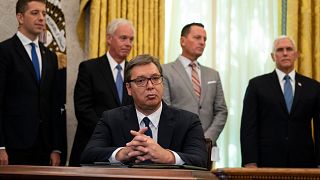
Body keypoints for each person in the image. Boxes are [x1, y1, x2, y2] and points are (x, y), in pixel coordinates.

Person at [81, 54, 207, 168]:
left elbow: (200, 160)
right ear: (129, 88)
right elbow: (88, 155)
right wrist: (123, 153)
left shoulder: (188, 121)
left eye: (155, 78)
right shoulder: (111, 119)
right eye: (141, 81)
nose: (150, 86)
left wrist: (167, 156)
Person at [240, 35, 320, 168]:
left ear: (296, 55)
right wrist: (250, 161)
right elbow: (248, 127)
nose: (285, 53)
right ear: (273, 56)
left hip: (304, 162)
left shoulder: (313, 87)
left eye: (289, 49)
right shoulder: (257, 85)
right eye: (280, 50)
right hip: (267, 161)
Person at [0, 0, 63, 165]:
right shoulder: (4, 51)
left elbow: (54, 104)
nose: (42, 18)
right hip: (13, 147)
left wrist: (56, 148)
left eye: (44, 13)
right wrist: (0, 147)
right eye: (35, 13)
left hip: (44, 147)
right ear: (20, 17)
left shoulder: (50, 56)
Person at [69, 18, 134, 166]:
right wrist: (110, 133)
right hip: (93, 147)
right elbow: (83, 110)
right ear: (109, 38)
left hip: (127, 151)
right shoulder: (89, 68)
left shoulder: (135, 72)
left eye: (131, 39)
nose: (128, 43)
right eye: (123, 38)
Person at [162, 23, 228, 146]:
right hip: (178, 144)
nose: (202, 42)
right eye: (197, 38)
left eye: (205, 39)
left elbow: (221, 111)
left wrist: (207, 138)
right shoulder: (164, 71)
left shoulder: (213, 74)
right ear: (182, 41)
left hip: (207, 146)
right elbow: (166, 109)